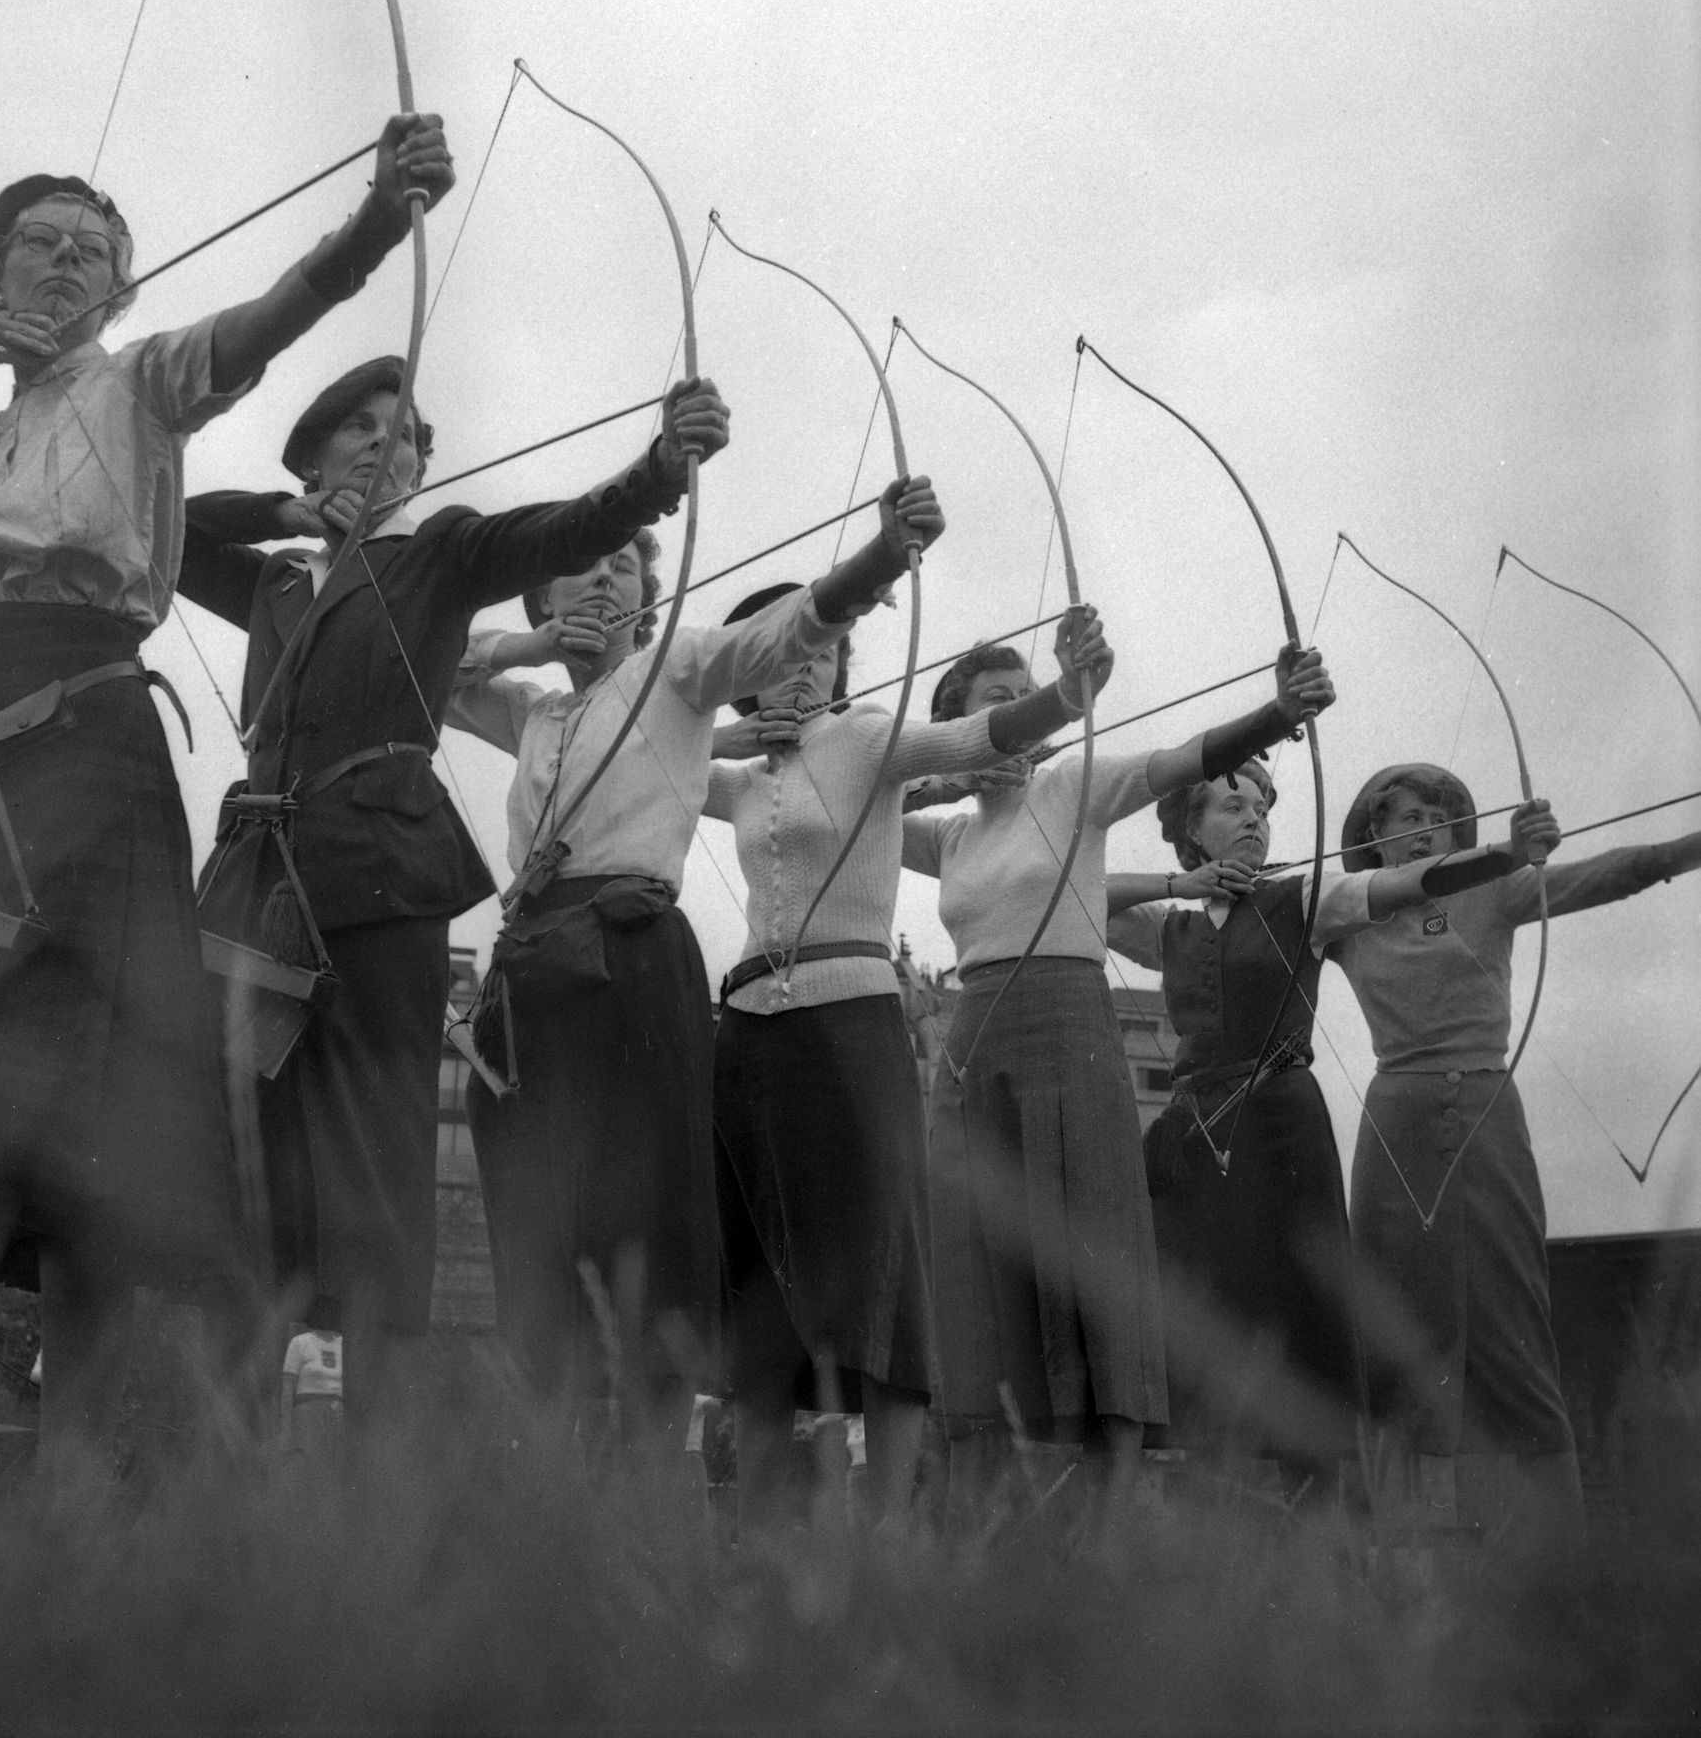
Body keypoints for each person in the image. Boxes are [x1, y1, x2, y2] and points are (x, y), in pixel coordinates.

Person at [0, 113, 453, 1460]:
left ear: (124, 293)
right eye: (38, 246)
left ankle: (83, 1474)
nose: (62, 267)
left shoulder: (146, 380)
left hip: (98, 747)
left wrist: (381, 215)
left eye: (91, 254)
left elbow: (275, 316)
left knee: (104, 1102)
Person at [174, 357, 731, 1438]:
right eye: (364, 431)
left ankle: (381, 1471)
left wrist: (664, 466)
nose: (394, 448)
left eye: (412, 437)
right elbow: (172, 527)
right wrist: (284, 513)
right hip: (262, 881)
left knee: (378, 1168)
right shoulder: (280, 582)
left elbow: (567, 530)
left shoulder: (441, 552)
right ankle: (227, 1459)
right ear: (315, 457)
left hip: (385, 876)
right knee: (246, 1160)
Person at [444, 475, 944, 1470]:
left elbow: (793, 630)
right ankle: (549, 1485)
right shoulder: (532, 710)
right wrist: (526, 647)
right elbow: (426, 666)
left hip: (628, 963)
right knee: (538, 1225)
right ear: (542, 600)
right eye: (576, 569)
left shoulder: (678, 670)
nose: (601, 581)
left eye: (626, 563)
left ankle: (644, 1479)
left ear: (648, 592)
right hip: (530, 972)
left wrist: (883, 556)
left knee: (642, 1225)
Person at [704, 587, 1110, 1531]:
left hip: (851, 1030)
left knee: (883, 1268)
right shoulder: (726, 769)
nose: (803, 665)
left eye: (821, 650)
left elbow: (980, 741)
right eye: (774, 653)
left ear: (842, 667)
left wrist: (1068, 692)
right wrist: (714, 740)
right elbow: (632, 757)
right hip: (748, 1033)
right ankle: (764, 1532)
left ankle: (882, 1534)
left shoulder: (867, 740)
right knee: (760, 1277)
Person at [901, 639, 1333, 1520]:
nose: (1028, 710)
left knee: (1090, 1244)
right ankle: (990, 1491)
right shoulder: (947, 834)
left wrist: (1278, 715)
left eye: (1034, 696)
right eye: (1000, 699)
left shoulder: (1072, 786)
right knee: (979, 1253)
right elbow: (845, 805)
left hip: (1066, 1025)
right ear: (961, 726)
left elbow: (1181, 760)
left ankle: (1105, 1499)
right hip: (974, 1046)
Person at [1328, 762, 1701, 1536]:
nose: (1426, 822)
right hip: (1393, 1123)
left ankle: (1557, 1553)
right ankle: (1413, 1547)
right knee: (1401, 1340)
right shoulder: (1344, 916)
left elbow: (1609, 875)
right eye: (1404, 813)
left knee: (1512, 1332)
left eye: (1441, 812)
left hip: (1486, 1112)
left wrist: (1686, 849)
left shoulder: (1491, 887)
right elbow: (1251, 935)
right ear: (1372, 836)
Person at [1105, 757, 1370, 1494]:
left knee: (1299, 1314)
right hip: (1195, 1141)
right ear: (1191, 834)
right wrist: (1175, 886)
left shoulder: (1306, 896)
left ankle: (1324, 1519)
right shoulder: (1171, 924)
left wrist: (1483, 860)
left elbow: (1400, 885)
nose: (1253, 816)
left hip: (1281, 1126)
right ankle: (1219, 1532)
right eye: (1229, 806)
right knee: (1205, 1321)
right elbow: (1068, 894)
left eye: (1260, 805)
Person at [281, 1303, 346, 1459]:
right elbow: (288, 1387)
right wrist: (286, 1430)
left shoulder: (343, 1344)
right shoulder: (300, 1342)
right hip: (308, 1412)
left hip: (336, 1414)